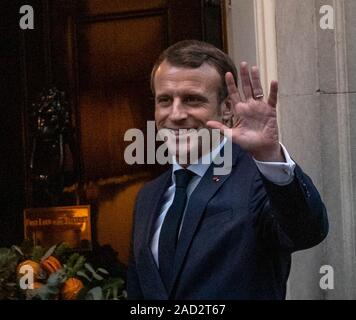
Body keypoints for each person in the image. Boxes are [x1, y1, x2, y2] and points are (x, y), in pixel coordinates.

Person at [127, 40, 328, 300]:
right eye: (165, 100)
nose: (175, 114)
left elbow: (307, 231)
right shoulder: (148, 196)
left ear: (227, 109)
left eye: (192, 99)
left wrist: (269, 155)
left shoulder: (259, 179)